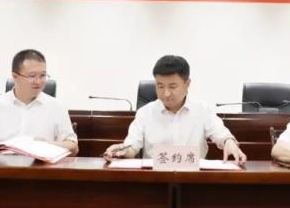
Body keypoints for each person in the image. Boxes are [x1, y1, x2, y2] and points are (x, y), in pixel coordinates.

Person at [104, 55, 246, 164]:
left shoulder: (202, 110)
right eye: (160, 86)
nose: (166, 93)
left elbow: (221, 134)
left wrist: (229, 142)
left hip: (193, 179)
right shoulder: (145, 113)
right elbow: (132, 147)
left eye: (172, 86)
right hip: (155, 178)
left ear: (187, 84)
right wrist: (121, 150)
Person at [0, 49, 78, 155]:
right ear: (15, 76)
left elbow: (73, 146)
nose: (38, 81)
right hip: (1, 170)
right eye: (32, 76)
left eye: (43, 75)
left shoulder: (56, 107)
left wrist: (51, 145)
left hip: (41, 171)